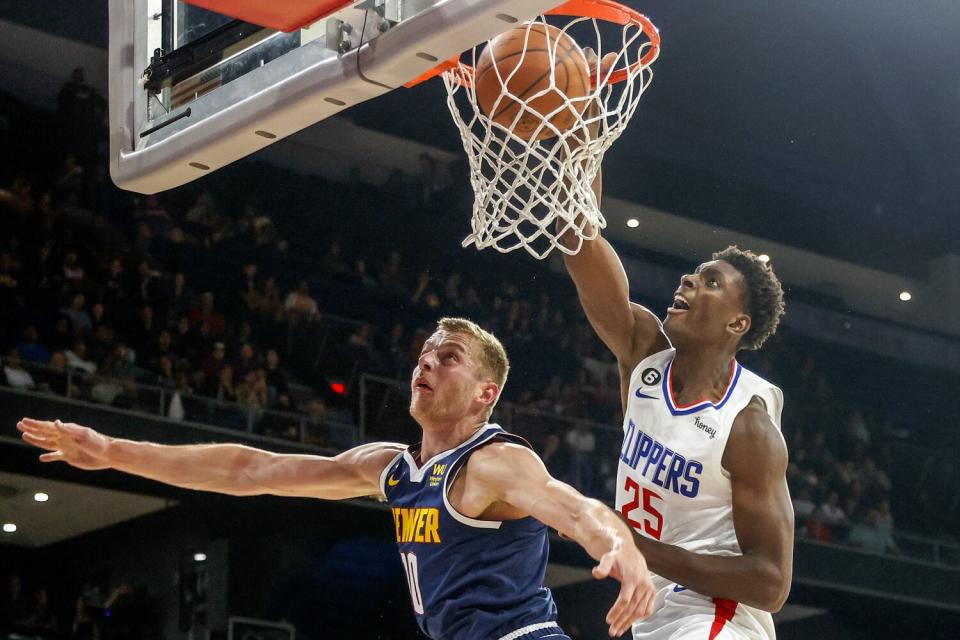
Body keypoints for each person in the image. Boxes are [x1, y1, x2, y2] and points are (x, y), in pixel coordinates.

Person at [18, 317, 656, 639]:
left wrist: (619, 548)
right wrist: (113, 451)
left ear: (485, 393)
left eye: (449, 356)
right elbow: (251, 469)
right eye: (425, 352)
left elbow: (573, 508)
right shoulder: (392, 468)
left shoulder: (494, 462)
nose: (427, 361)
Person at [559, 100, 792, 636]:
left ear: (738, 323)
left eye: (710, 282)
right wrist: (581, 148)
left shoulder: (748, 424)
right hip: (655, 611)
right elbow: (580, 240)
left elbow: (771, 582)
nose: (688, 282)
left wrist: (632, 543)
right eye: (692, 275)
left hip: (718, 620)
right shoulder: (643, 354)